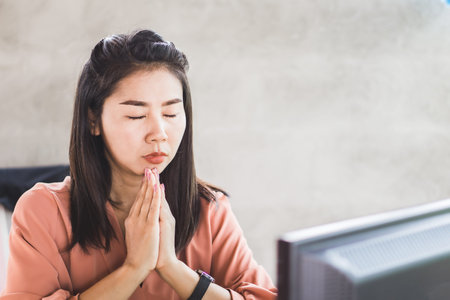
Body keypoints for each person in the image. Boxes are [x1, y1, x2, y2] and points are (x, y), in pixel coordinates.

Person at [0, 30, 277, 299]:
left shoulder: (210, 210)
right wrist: (133, 269)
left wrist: (171, 267)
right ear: (93, 120)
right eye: (136, 115)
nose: (159, 132)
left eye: (170, 112)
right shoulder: (43, 211)